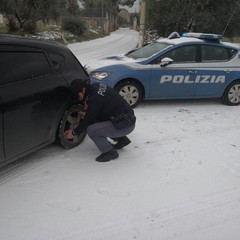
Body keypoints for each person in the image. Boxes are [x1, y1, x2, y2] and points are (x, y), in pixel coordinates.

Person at [65, 79, 136, 162]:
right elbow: (101, 109)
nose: (79, 98)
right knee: (96, 121)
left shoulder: (94, 99)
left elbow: (88, 120)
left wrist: (73, 133)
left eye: (78, 95)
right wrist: (88, 114)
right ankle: (122, 140)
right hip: (127, 118)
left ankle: (109, 152)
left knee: (92, 130)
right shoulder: (97, 86)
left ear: (83, 89)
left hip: (126, 125)